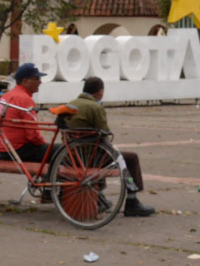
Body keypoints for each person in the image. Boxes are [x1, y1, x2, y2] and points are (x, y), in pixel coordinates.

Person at [65, 76, 156, 217]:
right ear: (100, 92)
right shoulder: (95, 107)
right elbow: (104, 135)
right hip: (92, 156)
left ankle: (99, 197)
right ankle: (132, 201)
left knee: (102, 152)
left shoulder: (70, 104)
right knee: (130, 158)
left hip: (73, 154)